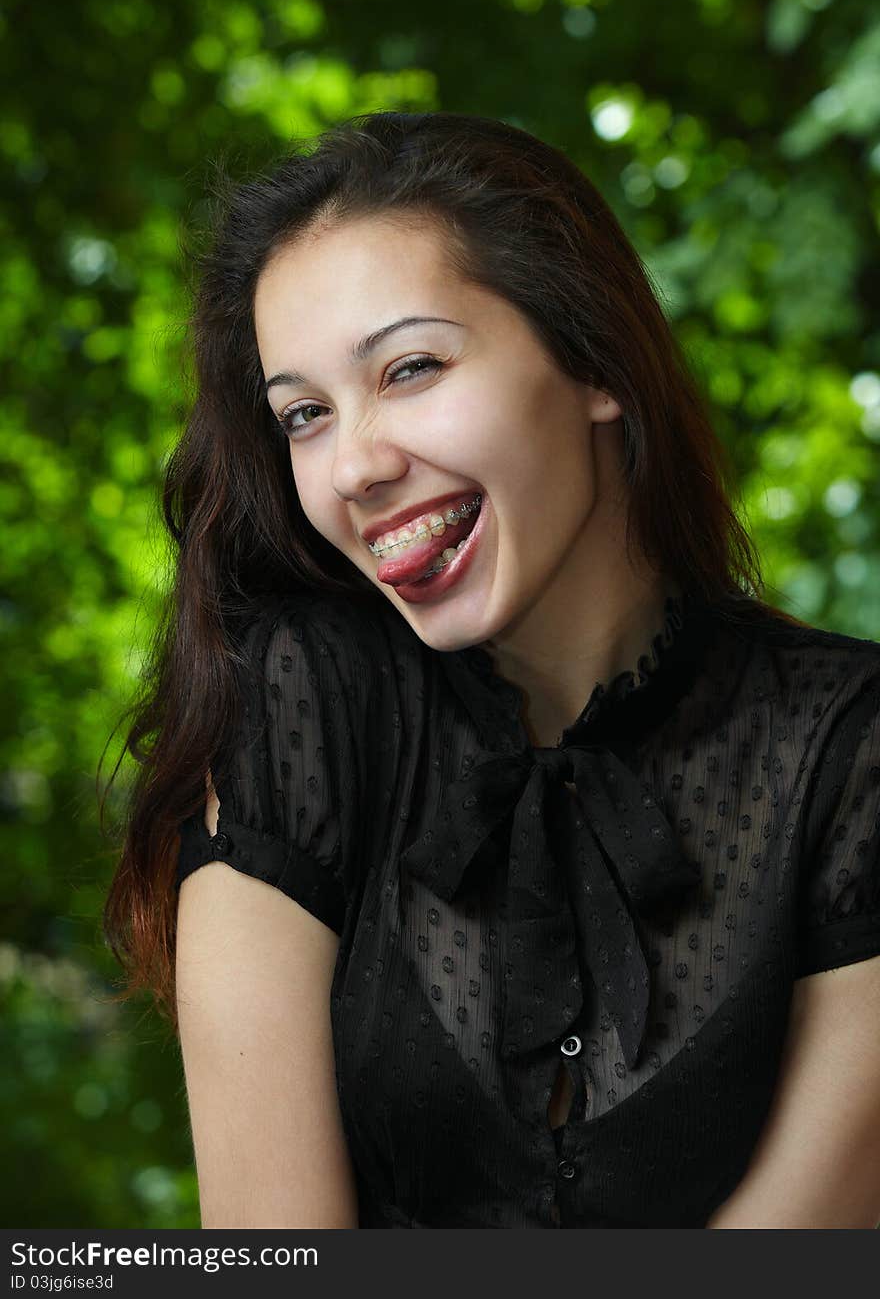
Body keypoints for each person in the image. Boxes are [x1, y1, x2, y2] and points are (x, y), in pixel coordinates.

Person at [103, 110, 880, 1229]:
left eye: (410, 367)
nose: (355, 466)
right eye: (305, 416)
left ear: (594, 360)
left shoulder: (846, 747)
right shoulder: (296, 711)